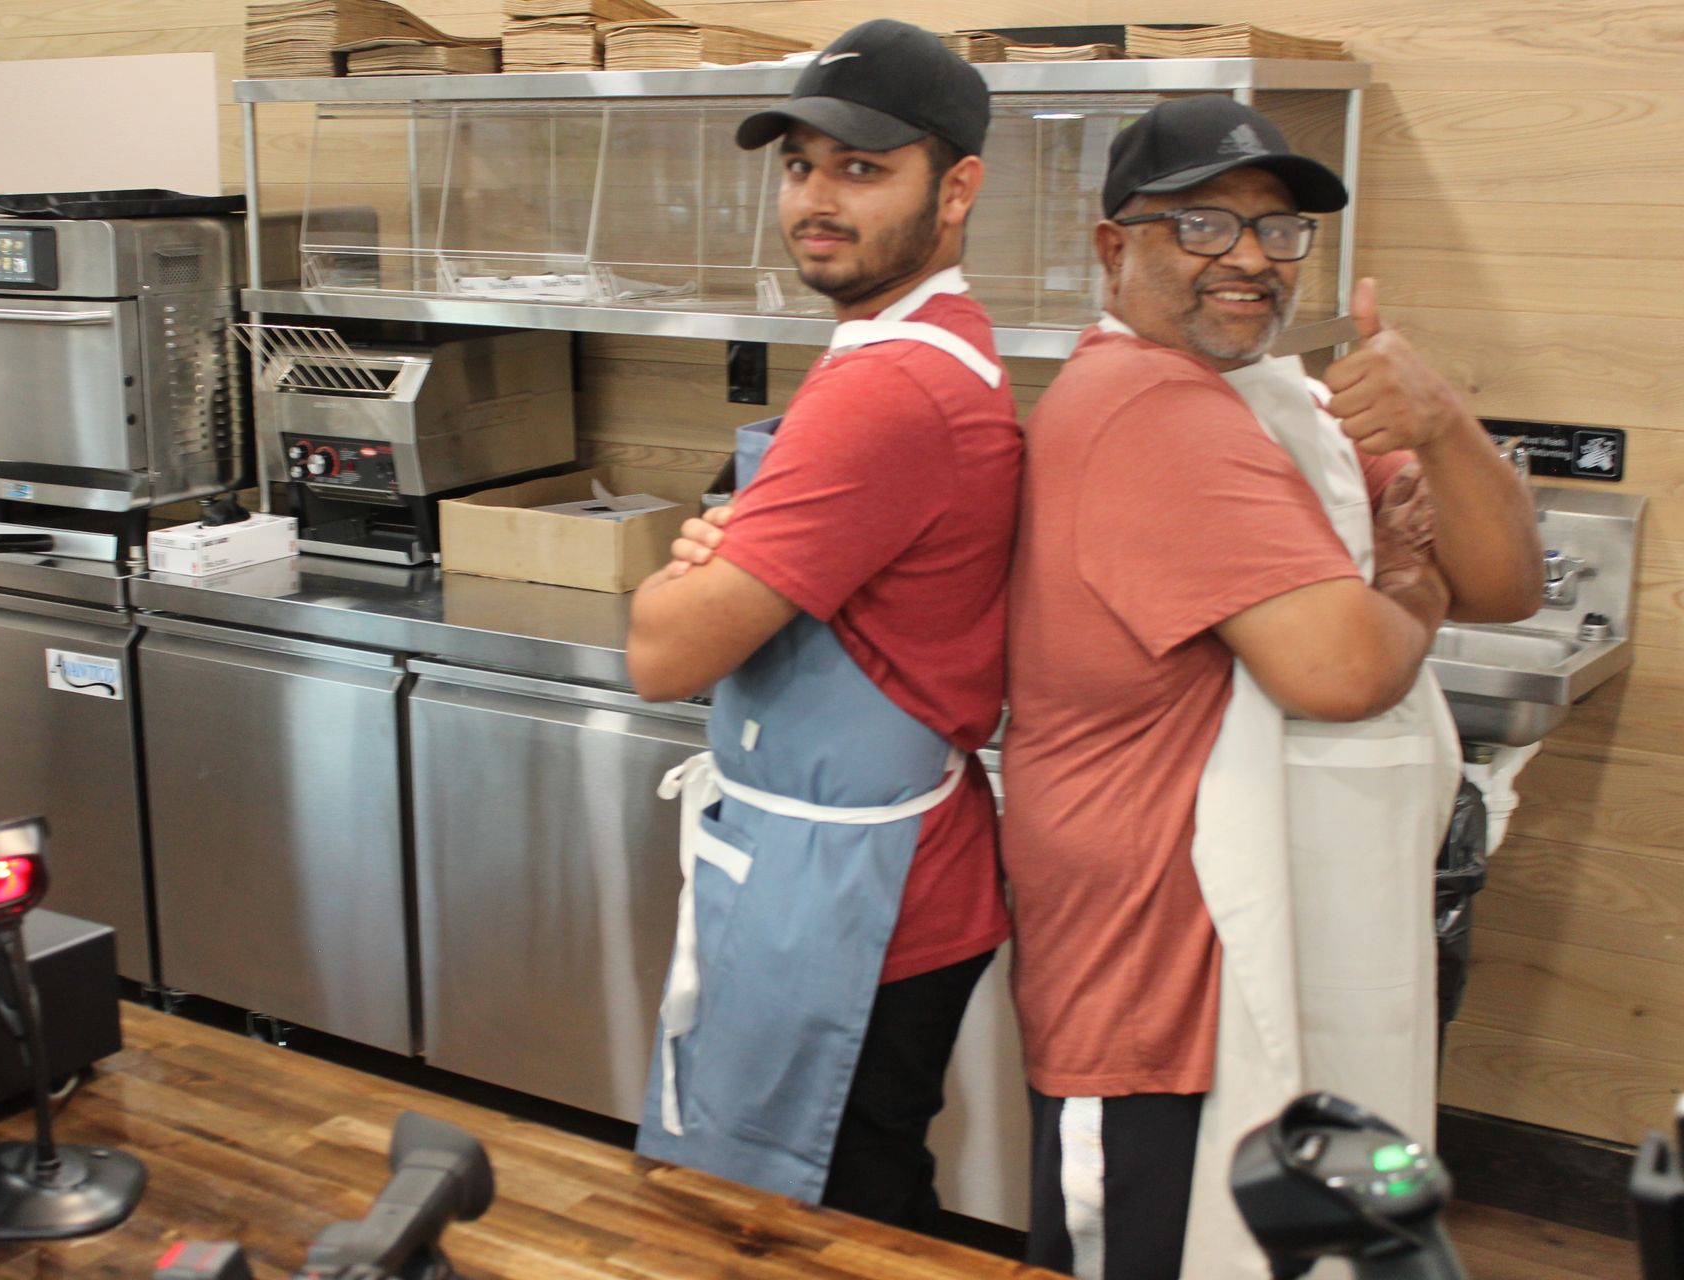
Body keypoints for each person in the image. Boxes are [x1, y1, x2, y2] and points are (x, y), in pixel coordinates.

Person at [1000, 95, 1543, 1280]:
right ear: (1114, 246)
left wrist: (1443, 420)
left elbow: (1510, 581)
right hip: (1156, 985)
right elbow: (1342, 668)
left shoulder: (1281, 403)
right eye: (1201, 224)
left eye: (1279, 226)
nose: (1249, 256)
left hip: (1250, 959)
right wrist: (1408, 584)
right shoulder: (1148, 409)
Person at [623, 19, 1021, 1232]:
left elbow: (662, 653)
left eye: (862, 167)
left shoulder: (886, 391)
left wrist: (683, 578)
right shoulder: (938, 344)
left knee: (828, 1219)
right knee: (858, 1188)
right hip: (866, 873)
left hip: (860, 895)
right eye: (800, 165)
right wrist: (725, 551)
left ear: (956, 189)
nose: (816, 198)